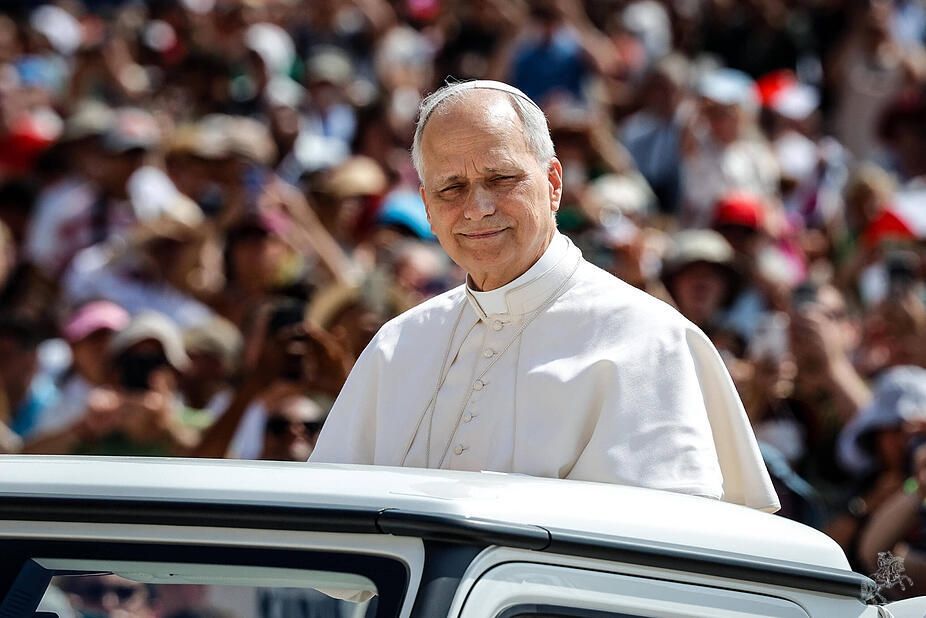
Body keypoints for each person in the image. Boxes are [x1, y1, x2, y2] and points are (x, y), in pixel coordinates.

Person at [311, 79, 779, 512]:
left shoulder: (649, 341)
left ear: (553, 184)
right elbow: (330, 541)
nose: (478, 208)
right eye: (451, 187)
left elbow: (663, 561)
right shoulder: (398, 345)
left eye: (500, 179)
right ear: (428, 209)